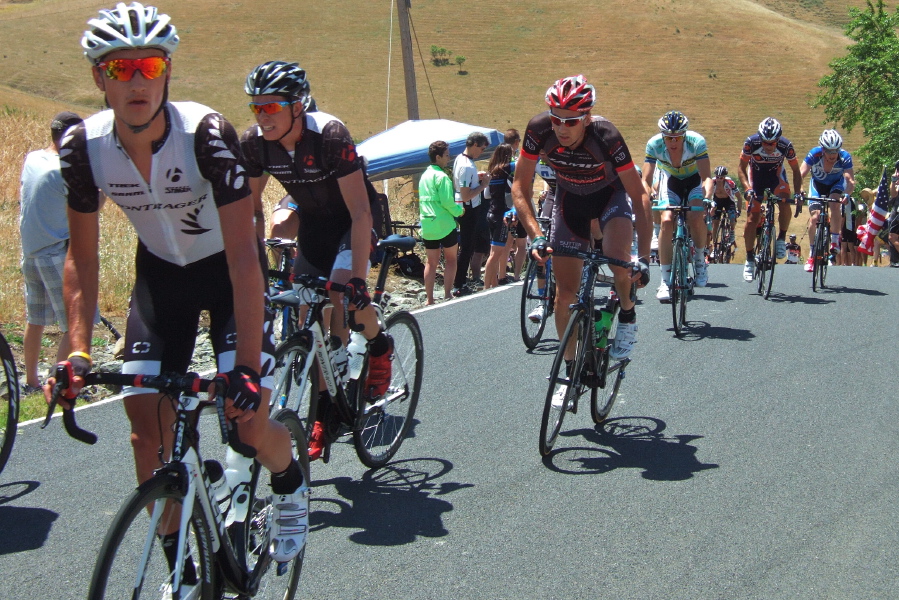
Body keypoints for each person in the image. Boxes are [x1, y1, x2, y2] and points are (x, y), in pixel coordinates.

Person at [47, 2, 307, 576]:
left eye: (149, 65)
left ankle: (288, 483)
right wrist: (77, 350)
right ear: (98, 78)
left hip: (226, 273)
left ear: (167, 72)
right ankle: (180, 569)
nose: (136, 80)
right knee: (146, 434)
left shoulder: (207, 135)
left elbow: (244, 255)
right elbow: (81, 258)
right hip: (161, 278)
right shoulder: (83, 148)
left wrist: (242, 368)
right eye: (120, 70)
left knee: (249, 422)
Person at [240, 60, 393, 460]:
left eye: (270, 107)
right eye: (256, 107)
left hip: (354, 220)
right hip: (315, 228)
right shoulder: (255, 144)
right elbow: (253, 210)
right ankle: (325, 413)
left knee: (342, 298)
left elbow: (360, 212)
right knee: (313, 317)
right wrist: (252, 266)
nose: (262, 116)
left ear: (297, 106)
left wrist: (358, 278)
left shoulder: (328, 135)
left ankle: (379, 345)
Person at [512, 75, 650, 386]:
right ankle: (571, 369)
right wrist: (536, 235)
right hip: (570, 201)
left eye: (571, 121)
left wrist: (643, 257)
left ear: (586, 118)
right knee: (563, 297)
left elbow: (639, 195)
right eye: (556, 118)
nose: (561, 128)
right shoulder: (538, 130)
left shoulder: (606, 136)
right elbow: (519, 186)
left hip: (609, 199)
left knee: (618, 262)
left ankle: (627, 314)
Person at [19, 112, 88, 395]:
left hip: (31, 250)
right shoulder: (64, 169)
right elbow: (89, 207)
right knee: (75, 323)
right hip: (54, 252)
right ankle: (59, 383)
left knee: (35, 319)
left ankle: (31, 381)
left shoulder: (33, 158)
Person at [642, 111, 713, 301]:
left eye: (677, 138)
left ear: (684, 135)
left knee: (696, 216)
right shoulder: (654, 144)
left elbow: (706, 177)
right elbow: (646, 180)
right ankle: (665, 281)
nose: (673, 142)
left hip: (693, 180)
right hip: (670, 180)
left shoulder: (696, 142)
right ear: (663, 136)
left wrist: (706, 197)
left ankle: (699, 259)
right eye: (669, 138)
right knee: (666, 220)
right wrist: (646, 197)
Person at [737, 117, 803, 281]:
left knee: (785, 202)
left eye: (772, 143)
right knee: (753, 218)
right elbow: (741, 168)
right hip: (756, 178)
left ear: (778, 140)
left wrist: (799, 192)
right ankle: (750, 258)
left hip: (775, 177)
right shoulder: (751, 143)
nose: (768, 146)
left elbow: (795, 170)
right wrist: (747, 189)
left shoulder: (785, 146)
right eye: (765, 142)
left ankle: (781, 238)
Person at [799, 129, 855, 272]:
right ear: (822, 149)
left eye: (835, 151)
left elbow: (850, 181)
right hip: (817, 185)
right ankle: (812, 254)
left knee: (835, 204)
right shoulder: (814, 154)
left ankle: (835, 241)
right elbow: (800, 174)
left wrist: (847, 194)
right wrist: (799, 190)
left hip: (835, 185)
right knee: (815, 218)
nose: (832, 155)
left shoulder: (844, 157)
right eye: (829, 151)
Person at [418, 140, 462, 304]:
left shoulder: (424, 176)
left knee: (431, 262)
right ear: (438, 157)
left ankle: (429, 298)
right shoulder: (442, 177)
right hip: (444, 223)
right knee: (451, 259)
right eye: (446, 155)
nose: (448, 158)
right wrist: (459, 211)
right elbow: (447, 202)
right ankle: (448, 293)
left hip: (428, 224)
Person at [451, 132, 491, 296]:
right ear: (474, 145)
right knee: (467, 247)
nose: (481, 152)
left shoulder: (461, 159)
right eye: (481, 149)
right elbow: (466, 193)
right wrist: (484, 185)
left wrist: (477, 178)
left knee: (467, 246)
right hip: (468, 208)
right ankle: (459, 283)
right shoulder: (466, 166)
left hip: (463, 205)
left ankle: (460, 281)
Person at [483, 143, 520, 289]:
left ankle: (493, 284)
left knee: (493, 252)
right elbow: (520, 164)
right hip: (502, 215)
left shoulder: (493, 170)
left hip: (491, 212)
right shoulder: (509, 167)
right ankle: (486, 287)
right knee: (496, 254)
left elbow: (486, 195)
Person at [708, 165, 742, 260]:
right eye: (717, 177)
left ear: (725, 177)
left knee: (732, 216)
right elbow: (707, 195)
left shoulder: (730, 183)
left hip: (728, 201)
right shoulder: (712, 182)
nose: (719, 179)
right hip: (717, 201)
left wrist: (738, 210)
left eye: (721, 177)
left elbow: (739, 197)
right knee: (715, 223)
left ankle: (731, 231)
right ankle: (715, 247)